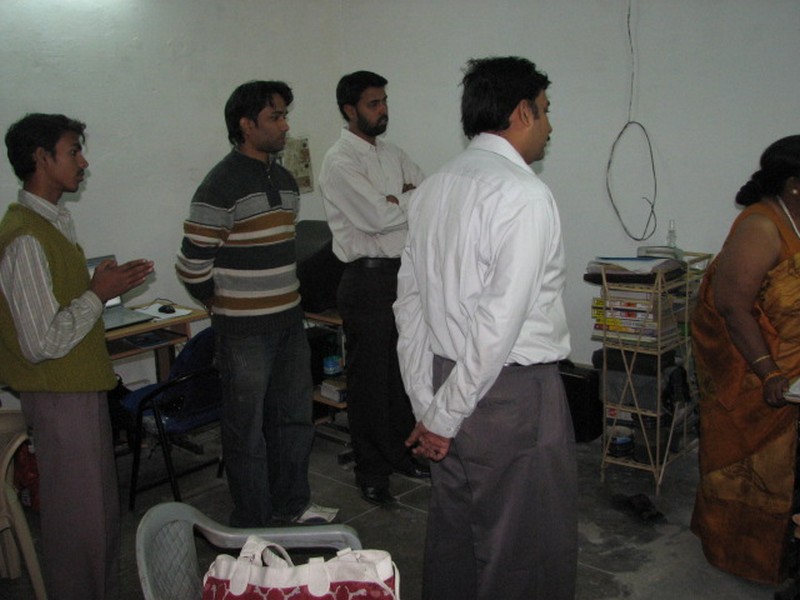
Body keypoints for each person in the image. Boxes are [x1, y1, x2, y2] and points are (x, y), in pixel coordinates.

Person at [394, 56, 578, 599]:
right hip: (510, 396)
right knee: (525, 543)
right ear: (522, 112)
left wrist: (427, 404)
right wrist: (441, 416)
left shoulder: (433, 187)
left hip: (444, 378)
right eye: (545, 110)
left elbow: (409, 306)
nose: (550, 125)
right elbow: (498, 325)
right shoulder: (523, 194)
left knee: (456, 531)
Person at [0, 113, 154, 599]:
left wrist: (103, 287)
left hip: (77, 391)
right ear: (41, 158)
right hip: (58, 397)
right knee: (77, 525)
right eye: (73, 151)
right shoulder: (25, 237)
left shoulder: (54, 221)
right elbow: (40, 343)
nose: (83, 162)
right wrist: (97, 293)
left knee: (97, 517)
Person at [176, 81, 337, 527]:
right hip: (244, 330)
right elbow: (191, 264)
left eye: (285, 115)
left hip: (289, 321)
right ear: (246, 125)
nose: (285, 126)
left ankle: (293, 505)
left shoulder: (283, 181)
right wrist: (218, 302)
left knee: (294, 419)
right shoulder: (221, 184)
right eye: (275, 117)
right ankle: (253, 519)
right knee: (246, 429)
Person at [691, 135, 800, 585]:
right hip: (753, 370)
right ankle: (740, 554)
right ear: (794, 184)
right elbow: (733, 307)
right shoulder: (761, 227)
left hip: (791, 361)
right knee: (751, 469)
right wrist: (768, 372)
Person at [318, 70, 428, 506]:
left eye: (384, 101)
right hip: (366, 279)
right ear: (350, 109)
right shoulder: (339, 161)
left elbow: (428, 195)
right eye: (373, 103)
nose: (383, 110)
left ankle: (402, 455)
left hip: (403, 274)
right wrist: (401, 201)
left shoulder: (392, 152)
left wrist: (401, 200)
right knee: (369, 383)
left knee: (404, 374)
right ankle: (371, 471)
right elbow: (377, 219)